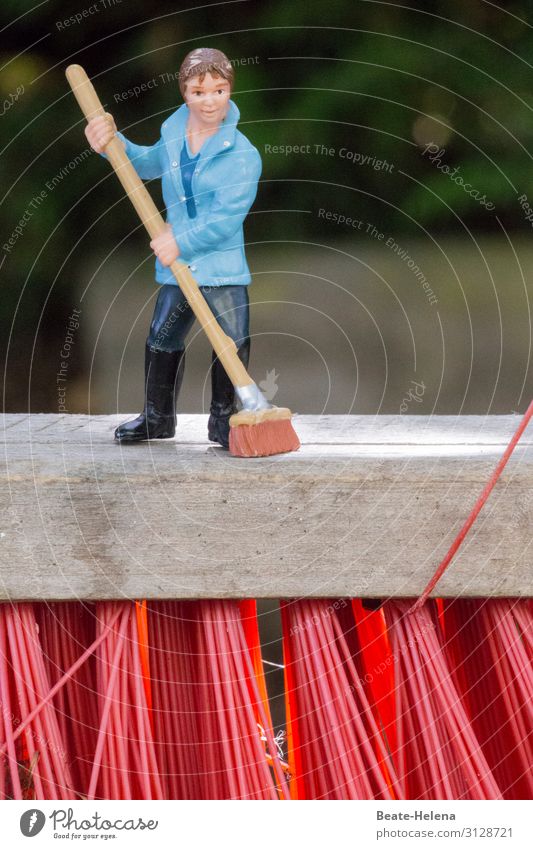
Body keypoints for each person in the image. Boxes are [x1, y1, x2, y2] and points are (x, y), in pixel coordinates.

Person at [85, 47, 262, 448]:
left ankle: (224, 422)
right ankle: (157, 417)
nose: (210, 100)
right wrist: (113, 143)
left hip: (221, 270)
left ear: (229, 90)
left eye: (219, 90)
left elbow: (224, 220)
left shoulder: (243, 155)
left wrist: (178, 240)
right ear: (185, 92)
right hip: (176, 267)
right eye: (199, 91)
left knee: (232, 344)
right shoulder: (173, 133)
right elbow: (147, 164)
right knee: (161, 339)